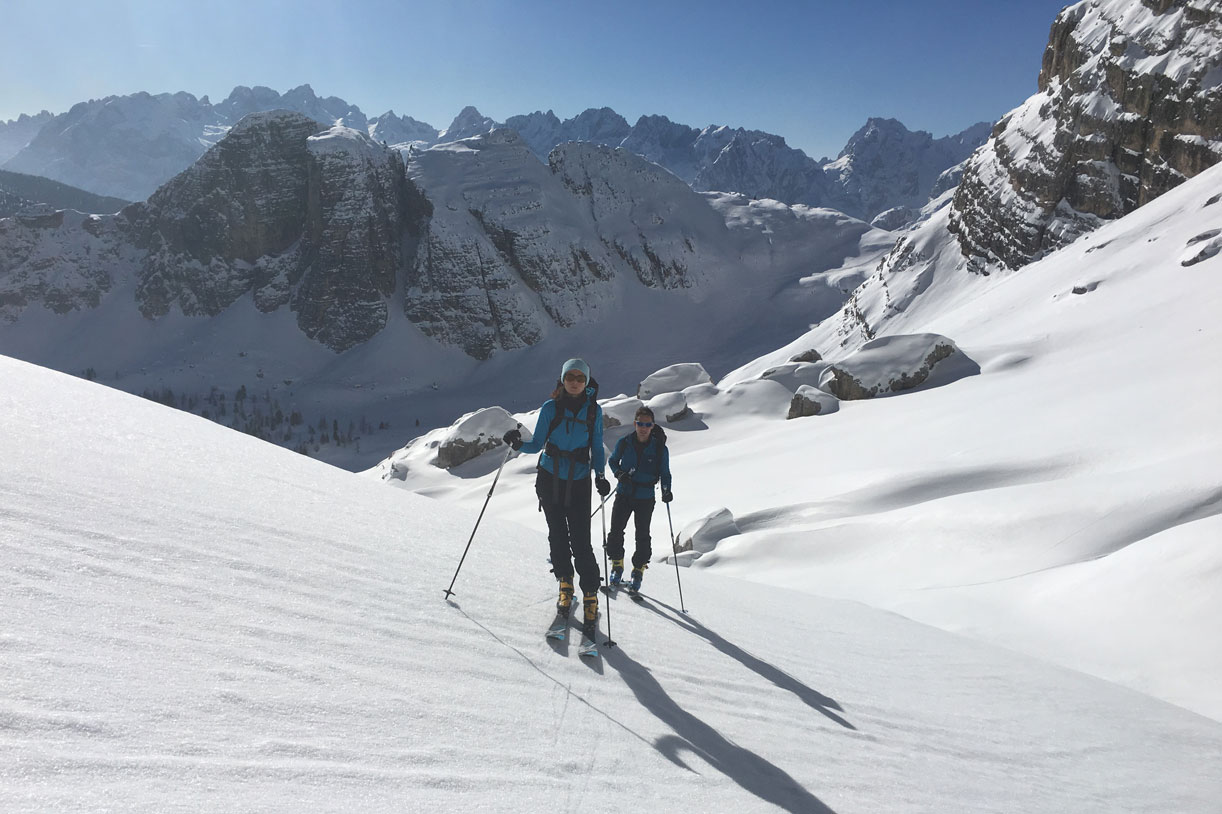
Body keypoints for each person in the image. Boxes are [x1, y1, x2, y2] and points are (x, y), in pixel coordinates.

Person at [503, 358, 610, 642]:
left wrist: (600, 474)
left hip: (578, 481)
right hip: (550, 479)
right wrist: (517, 443)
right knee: (558, 537)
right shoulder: (551, 408)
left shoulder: (593, 411)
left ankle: (589, 593)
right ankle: (565, 583)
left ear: (587, 382)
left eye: (580, 377)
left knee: (581, 540)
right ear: (562, 379)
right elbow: (537, 444)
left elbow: (596, 445)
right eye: (570, 376)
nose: (574, 381)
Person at [606, 406, 672, 593]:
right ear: (635, 424)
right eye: (640, 423)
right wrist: (619, 473)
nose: (643, 427)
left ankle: (638, 570)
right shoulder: (625, 442)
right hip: (624, 492)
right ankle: (617, 565)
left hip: (645, 496)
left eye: (647, 424)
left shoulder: (659, 448)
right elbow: (613, 461)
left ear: (652, 426)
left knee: (642, 534)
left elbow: (665, 473)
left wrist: (666, 490)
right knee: (616, 531)